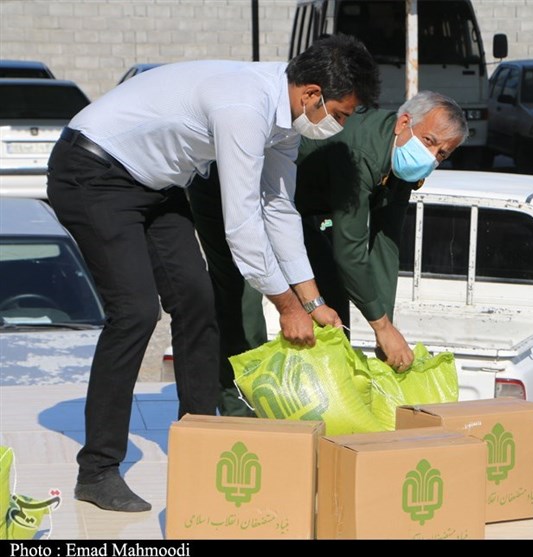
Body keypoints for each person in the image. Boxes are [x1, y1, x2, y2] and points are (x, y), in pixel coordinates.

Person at [46, 34, 380, 513]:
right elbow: (242, 222)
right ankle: (97, 470)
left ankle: (201, 436)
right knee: (135, 312)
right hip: (92, 172)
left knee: (197, 300)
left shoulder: (286, 114)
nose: (338, 125)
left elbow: (279, 208)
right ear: (312, 95)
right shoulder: (244, 104)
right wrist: (285, 306)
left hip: (156, 185)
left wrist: (312, 300)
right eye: (340, 114)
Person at [294, 90, 468, 371]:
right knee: (257, 315)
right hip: (270, 206)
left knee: (336, 308)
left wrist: (384, 326)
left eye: (442, 153)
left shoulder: (403, 163)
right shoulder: (363, 153)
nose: (431, 157)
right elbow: (350, 251)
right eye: (429, 142)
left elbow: (386, 238)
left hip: (306, 216)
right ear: (404, 123)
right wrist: (382, 327)